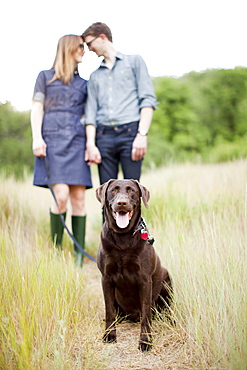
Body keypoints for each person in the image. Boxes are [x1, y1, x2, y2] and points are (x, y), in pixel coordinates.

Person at [30, 34, 92, 267]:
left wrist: (89, 144)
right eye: (80, 47)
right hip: (52, 143)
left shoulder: (84, 84)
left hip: (77, 142)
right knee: (62, 196)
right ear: (68, 48)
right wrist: (37, 137)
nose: (84, 51)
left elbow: (88, 117)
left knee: (79, 198)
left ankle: (78, 254)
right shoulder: (44, 77)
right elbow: (37, 109)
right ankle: (57, 251)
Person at [82, 22, 157, 185]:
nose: (89, 49)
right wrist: (90, 145)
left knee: (133, 192)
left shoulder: (134, 62)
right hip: (104, 137)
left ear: (102, 37)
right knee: (107, 193)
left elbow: (147, 100)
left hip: (130, 134)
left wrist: (142, 135)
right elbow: (91, 114)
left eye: (89, 43)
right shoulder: (94, 76)